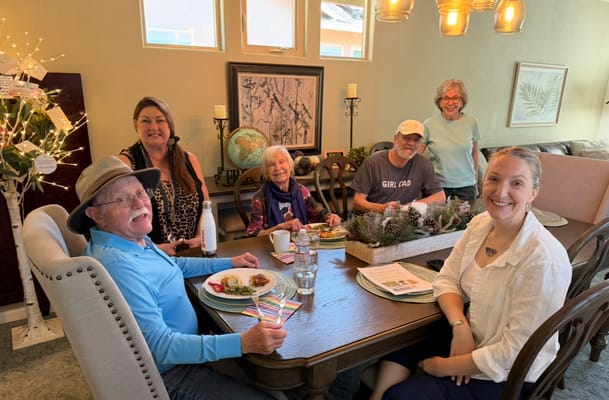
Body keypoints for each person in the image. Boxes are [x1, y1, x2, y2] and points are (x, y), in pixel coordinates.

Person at [67, 156, 288, 400]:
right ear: (96, 215)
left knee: (277, 380)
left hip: (189, 351)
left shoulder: (129, 240)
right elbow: (161, 348)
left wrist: (229, 262)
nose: (138, 203)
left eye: (140, 193)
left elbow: (173, 264)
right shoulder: (118, 264)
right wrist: (242, 343)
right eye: (122, 199)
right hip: (170, 373)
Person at [370, 146, 572, 400]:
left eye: (517, 183)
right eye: (494, 178)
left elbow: (516, 351)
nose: (501, 192)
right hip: (474, 332)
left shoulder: (542, 259)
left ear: (534, 192)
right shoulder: (481, 224)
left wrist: (439, 367)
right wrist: (460, 327)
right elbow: (446, 278)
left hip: (507, 375)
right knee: (401, 342)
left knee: (400, 395)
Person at [119, 96, 210, 256]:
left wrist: (200, 237)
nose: (154, 127)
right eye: (145, 121)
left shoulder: (189, 159)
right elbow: (122, 220)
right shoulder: (126, 164)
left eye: (160, 120)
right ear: (136, 125)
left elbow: (206, 204)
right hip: (150, 255)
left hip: (194, 252)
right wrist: (156, 249)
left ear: (170, 125)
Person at [351, 119, 446, 213]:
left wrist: (410, 206)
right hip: (374, 219)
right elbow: (357, 202)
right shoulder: (373, 163)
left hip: (405, 219)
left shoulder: (423, 164)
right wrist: (382, 208)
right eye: (407, 138)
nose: (411, 143)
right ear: (395, 139)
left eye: (416, 140)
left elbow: (440, 197)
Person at [246, 145, 341, 237]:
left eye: (282, 162)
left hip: (302, 243)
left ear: (290, 165)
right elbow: (252, 234)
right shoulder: (260, 198)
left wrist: (331, 217)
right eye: (271, 164)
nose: (278, 168)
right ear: (267, 172)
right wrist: (279, 228)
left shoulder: (301, 190)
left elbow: (320, 215)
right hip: (274, 247)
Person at [421, 79, 480, 202]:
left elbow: (474, 153)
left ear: (462, 102)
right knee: (435, 221)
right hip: (437, 187)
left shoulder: (471, 122)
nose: (450, 103)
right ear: (439, 102)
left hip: (466, 187)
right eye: (446, 98)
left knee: (467, 221)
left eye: (455, 98)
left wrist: (475, 180)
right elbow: (417, 156)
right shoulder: (429, 124)